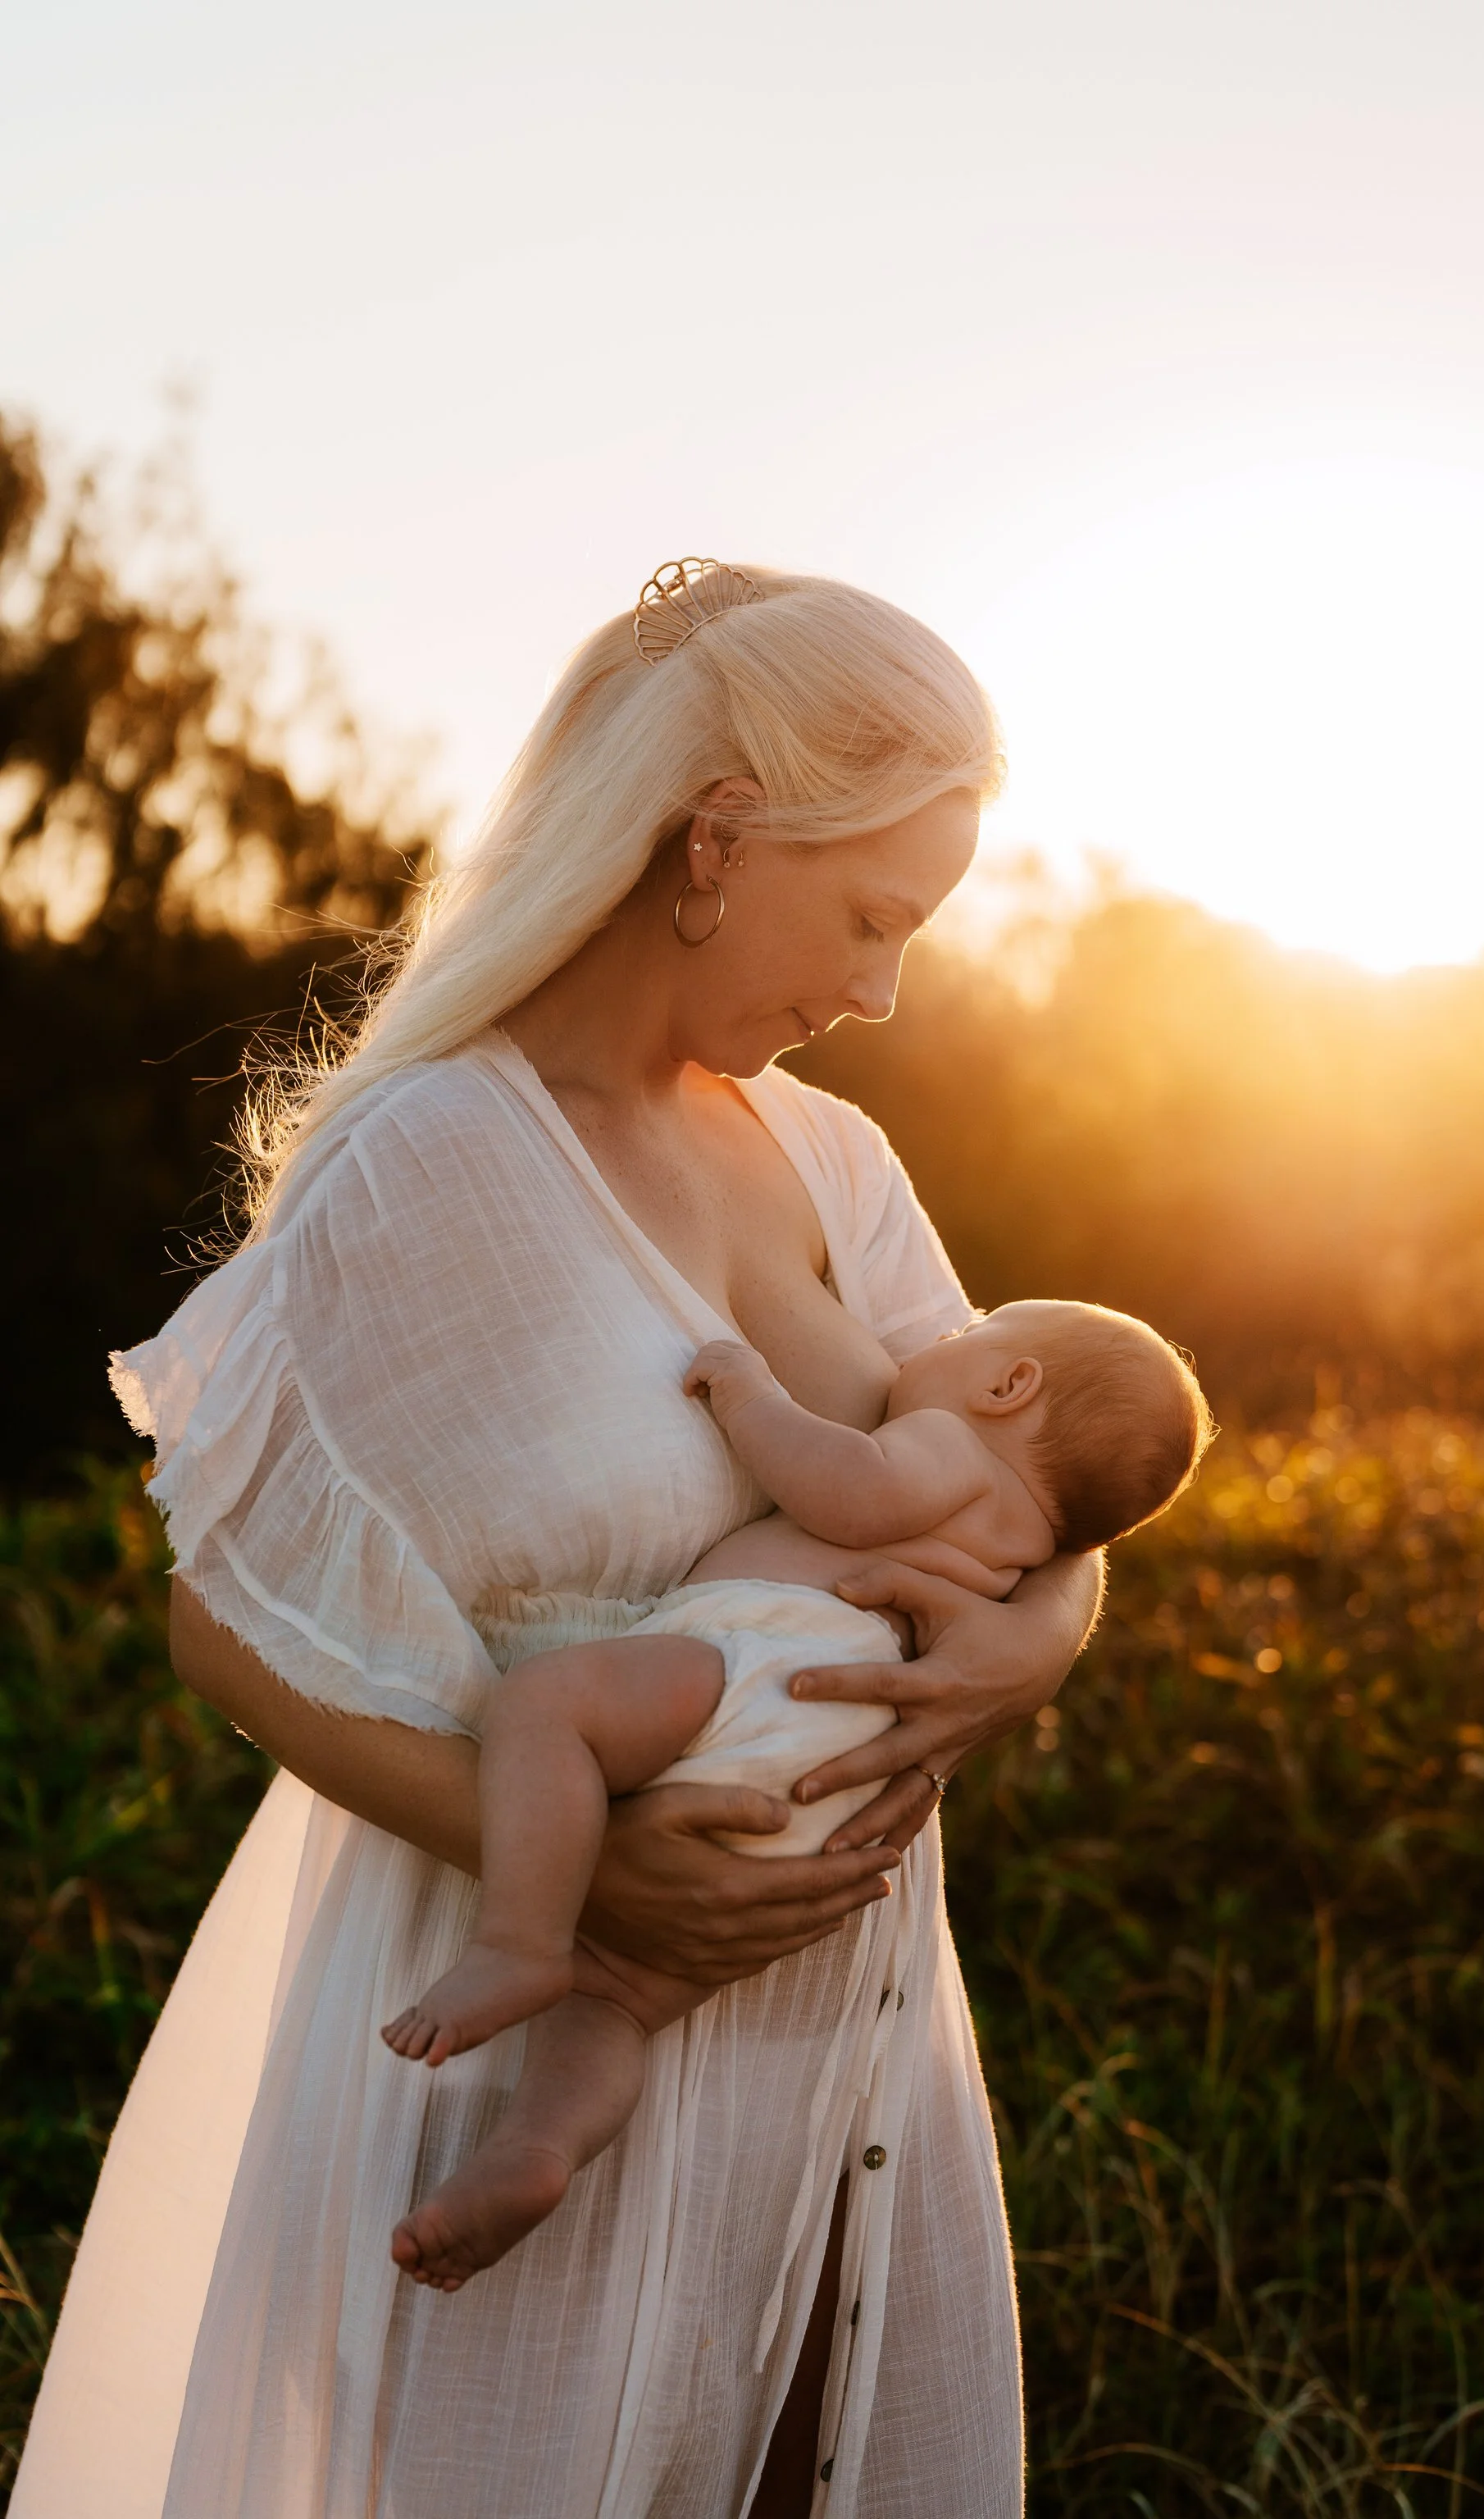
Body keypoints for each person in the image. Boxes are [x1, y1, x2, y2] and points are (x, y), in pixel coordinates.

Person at [12, 558, 1108, 2519]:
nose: (879, 989)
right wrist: (587, 1881)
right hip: (512, 2010)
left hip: (841, 2034)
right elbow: (217, 1623)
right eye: (871, 915)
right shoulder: (429, 1156)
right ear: (713, 836)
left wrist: (1037, 1644)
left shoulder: (833, 1158)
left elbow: (1053, 1478)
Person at [380, 1304, 1212, 2293]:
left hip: (768, 1663)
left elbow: (849, 1493)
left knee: (541, 1710)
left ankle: (518, 1942)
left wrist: (749, 1394)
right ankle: (540, 2148)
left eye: (969, 1333)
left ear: (1008, 1385)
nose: (936, 1339)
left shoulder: (950, 1444)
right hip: (831, 1791)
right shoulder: (1024, 1553)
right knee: (618, 2001)